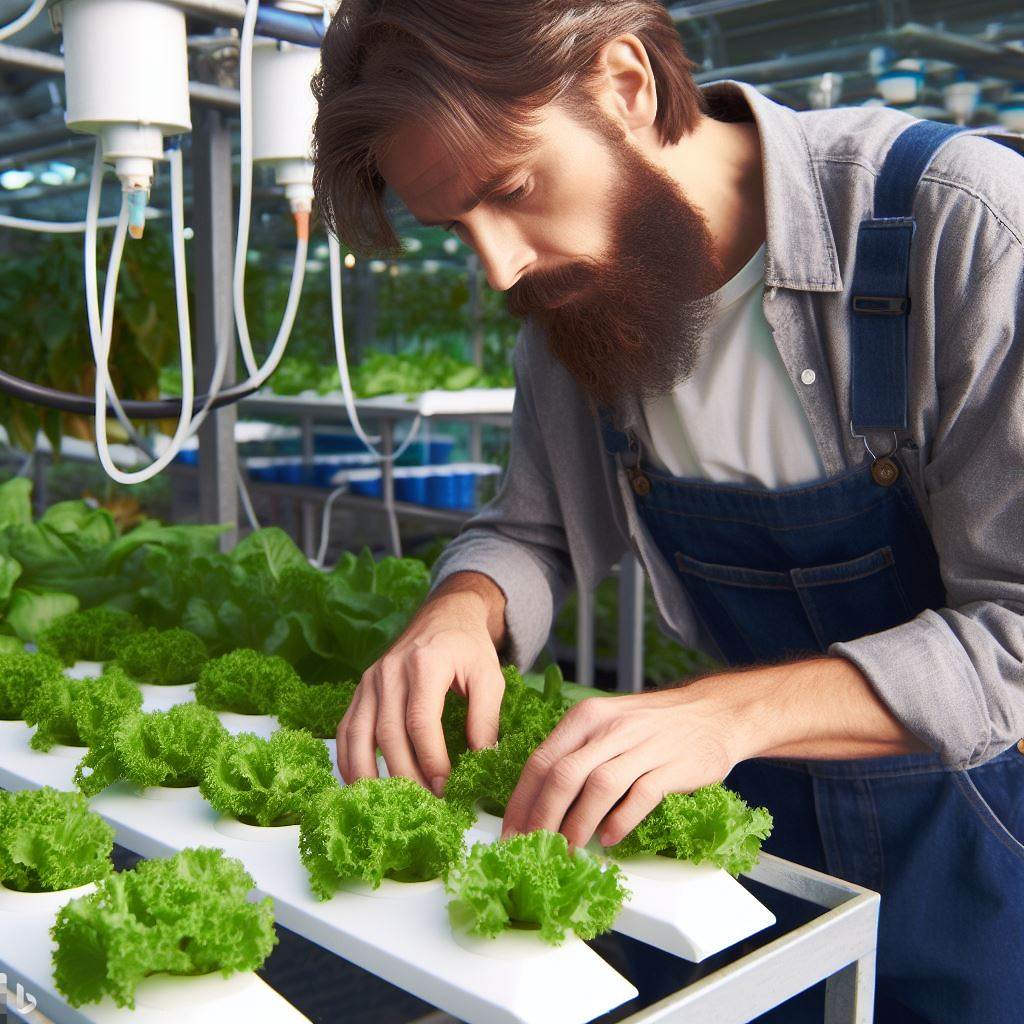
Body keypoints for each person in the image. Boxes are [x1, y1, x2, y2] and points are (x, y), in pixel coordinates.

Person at [310, 2, 1024, 1021]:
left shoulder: (962, 225)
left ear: (625, 84)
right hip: (752, 814)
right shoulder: (573, 300)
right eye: (455, 227)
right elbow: (532, 528)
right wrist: (461, 607)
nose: (500, 266)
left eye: (511, 190)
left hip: (983, 840)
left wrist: (725, 711)